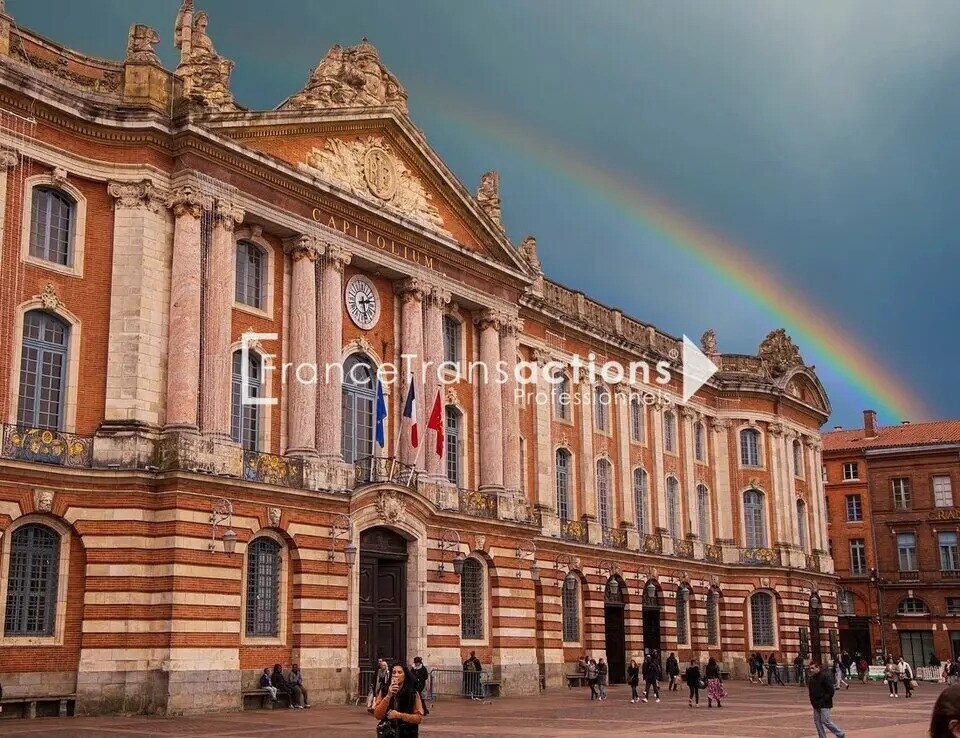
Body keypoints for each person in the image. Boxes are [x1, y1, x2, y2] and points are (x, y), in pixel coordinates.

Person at [373, 662, 425, 737]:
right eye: (394, 672)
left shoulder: (413, 693)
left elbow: (418, 718)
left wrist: (399, 715)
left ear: (405, 675)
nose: (396, 675)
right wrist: (388, 695)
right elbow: (377, 715)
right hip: (388, 733)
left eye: (399, 672)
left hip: (407, 733)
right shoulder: (384, 690)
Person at [807, 661, 845, 738]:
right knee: (817, 722)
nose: (811, 670)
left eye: (813, 668)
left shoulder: (824, 676)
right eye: (810, 668)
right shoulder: (812, 678)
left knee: (825, 721)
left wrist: (824, 699)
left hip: (825, 703)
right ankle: (822, 736)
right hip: (815, 703)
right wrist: (812, 701)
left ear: (818, 668)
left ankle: (839, 733)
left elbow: (831, 690)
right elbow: (811, 690)